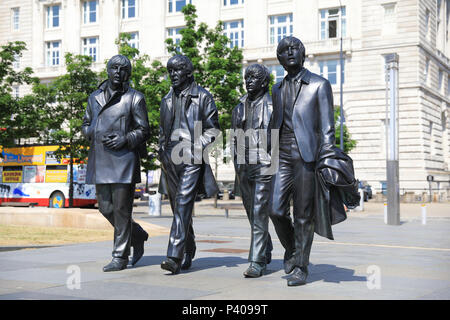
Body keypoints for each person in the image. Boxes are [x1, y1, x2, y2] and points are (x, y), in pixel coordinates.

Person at [269, 36, 338, 286]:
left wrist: (327, 158)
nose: (289, 53)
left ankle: (301, 266)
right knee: (275, 209)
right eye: (283, 51)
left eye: (294, 49)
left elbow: (328, 127)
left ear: (303, 53)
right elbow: (274, 123)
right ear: (278, 59)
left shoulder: (319, 85)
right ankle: (293, 250)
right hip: (281, 154)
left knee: (303, 214)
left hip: (307, 155)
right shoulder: (276, 89)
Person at [82, 54, 150, 272]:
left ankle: (120, 256)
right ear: (108, 70)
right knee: (105, 207)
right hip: (100, 158)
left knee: (121, 210)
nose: (118, 73)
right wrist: (92, 131)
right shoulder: (94, 98)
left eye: (123, 69)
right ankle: (137, 234)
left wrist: (125, 138)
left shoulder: (135, 98)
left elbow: (143, 129)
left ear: (128, 73)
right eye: (114, 68)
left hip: (124, 161)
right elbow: (85, 124)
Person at [158, 55, 220, 274]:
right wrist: (160, 150)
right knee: (178, 207)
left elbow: (213, 129)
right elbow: (162, 131)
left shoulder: (202, 97)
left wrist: (196, 146)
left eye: (177, 70)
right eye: (170, 71)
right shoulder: (166, 98)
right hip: (169, 159)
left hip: (191, 157)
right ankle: (189, 247)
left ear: (188, 72)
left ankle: (173, 256)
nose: (173, 75)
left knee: (184, 203)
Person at [231, 64, 274, 278]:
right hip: (244, 164)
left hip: (265, 162)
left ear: (264, 82)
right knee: (251, 211)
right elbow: (234, 138)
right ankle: (265, 246)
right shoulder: (239, 106)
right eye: (246, 77)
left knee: (259, 211)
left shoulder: (274, 105)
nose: (248, 81)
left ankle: (257, 261)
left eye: (254, 78)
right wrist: (237, 163)